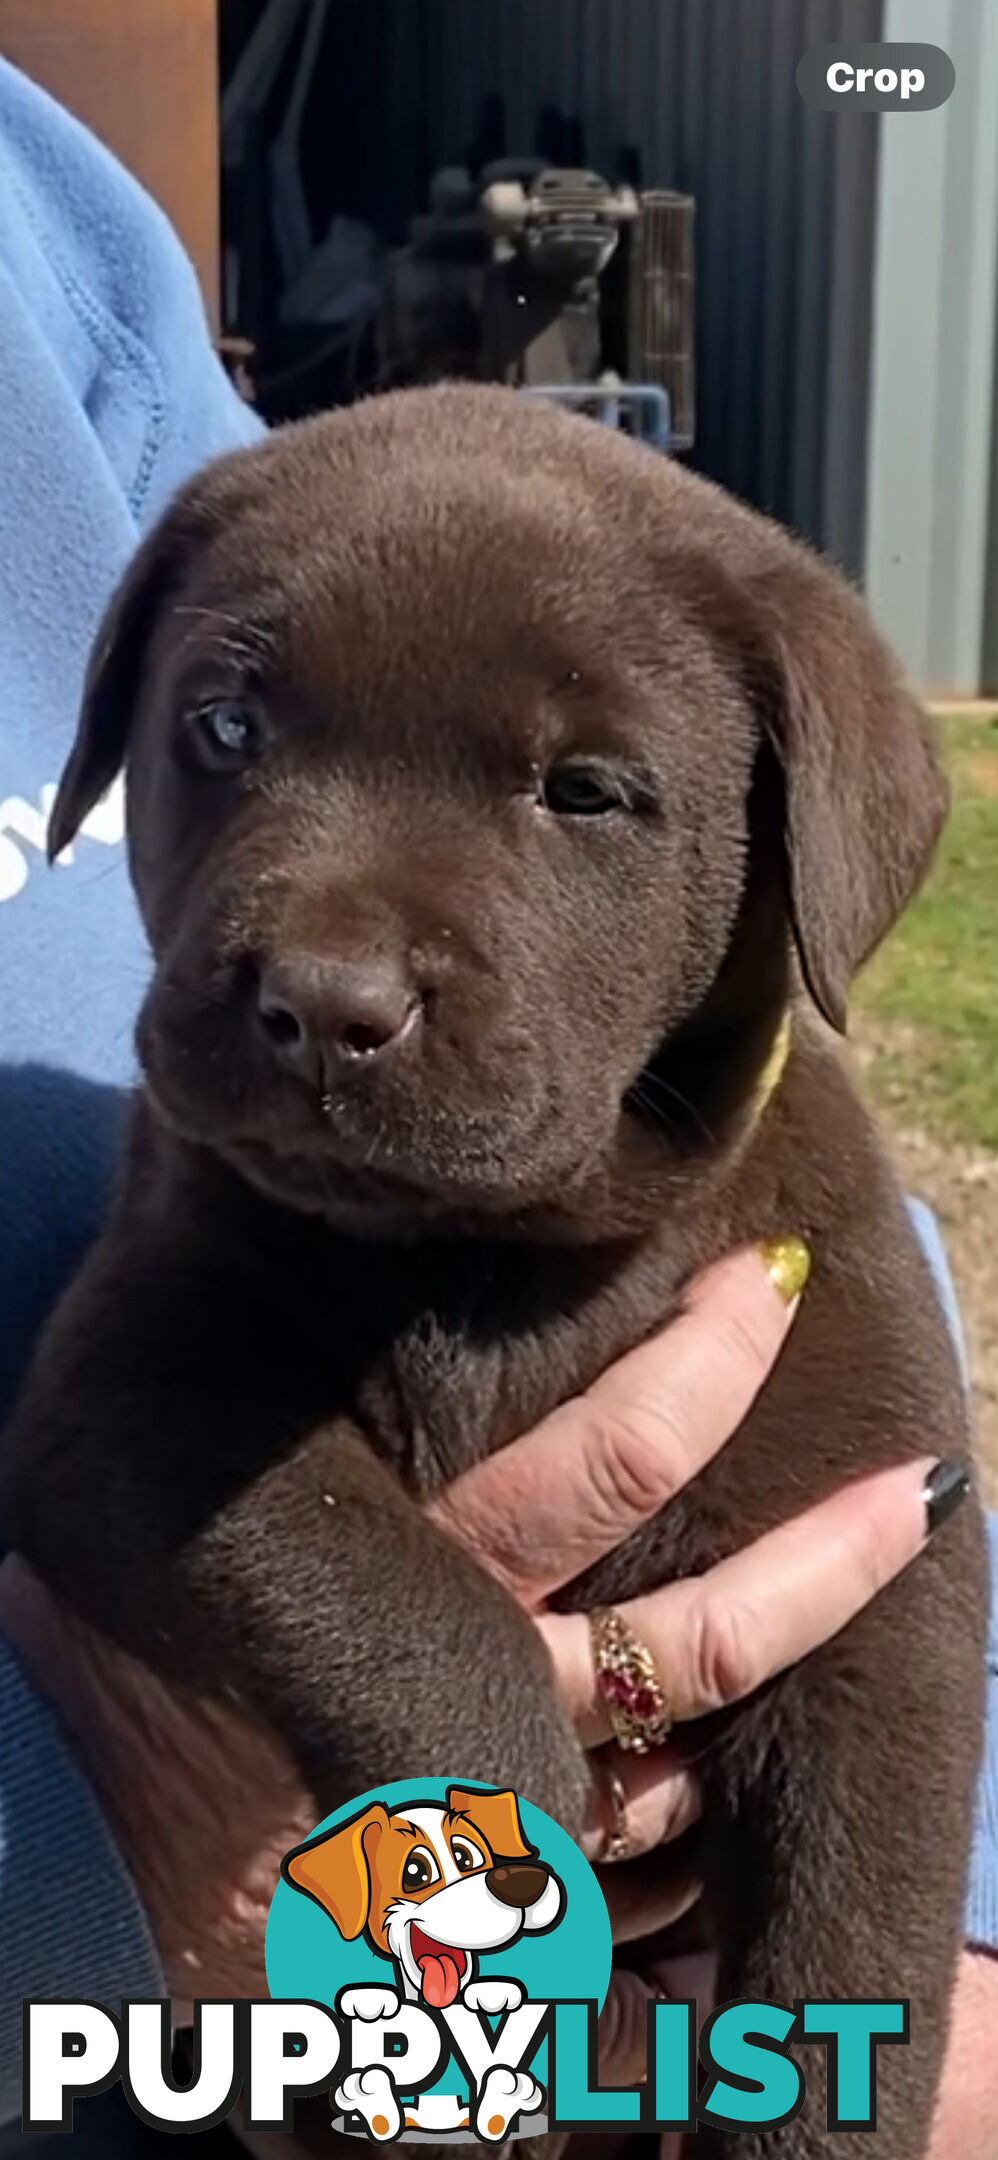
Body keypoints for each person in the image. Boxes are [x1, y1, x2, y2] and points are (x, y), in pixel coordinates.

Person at [0, 56, 994, 2154]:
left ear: (782, 856)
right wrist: (446, 1746)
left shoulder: (51, 242)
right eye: (235, 727)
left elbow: (897, 1652)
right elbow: (110, 1440)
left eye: (582, 792)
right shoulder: (213, 1234)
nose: (332, 954)